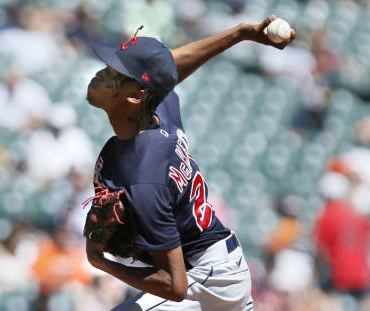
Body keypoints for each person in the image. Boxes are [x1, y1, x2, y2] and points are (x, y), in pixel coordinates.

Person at [85, 16, 295, 311]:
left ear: (135, 96)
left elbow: (175, 285)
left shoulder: (144, 177)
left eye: (113, 72)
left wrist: (100, 262)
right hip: (217, 266)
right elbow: (165, 71)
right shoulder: (157, 110)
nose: (100, 74)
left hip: (206, 278)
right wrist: (239, 33)